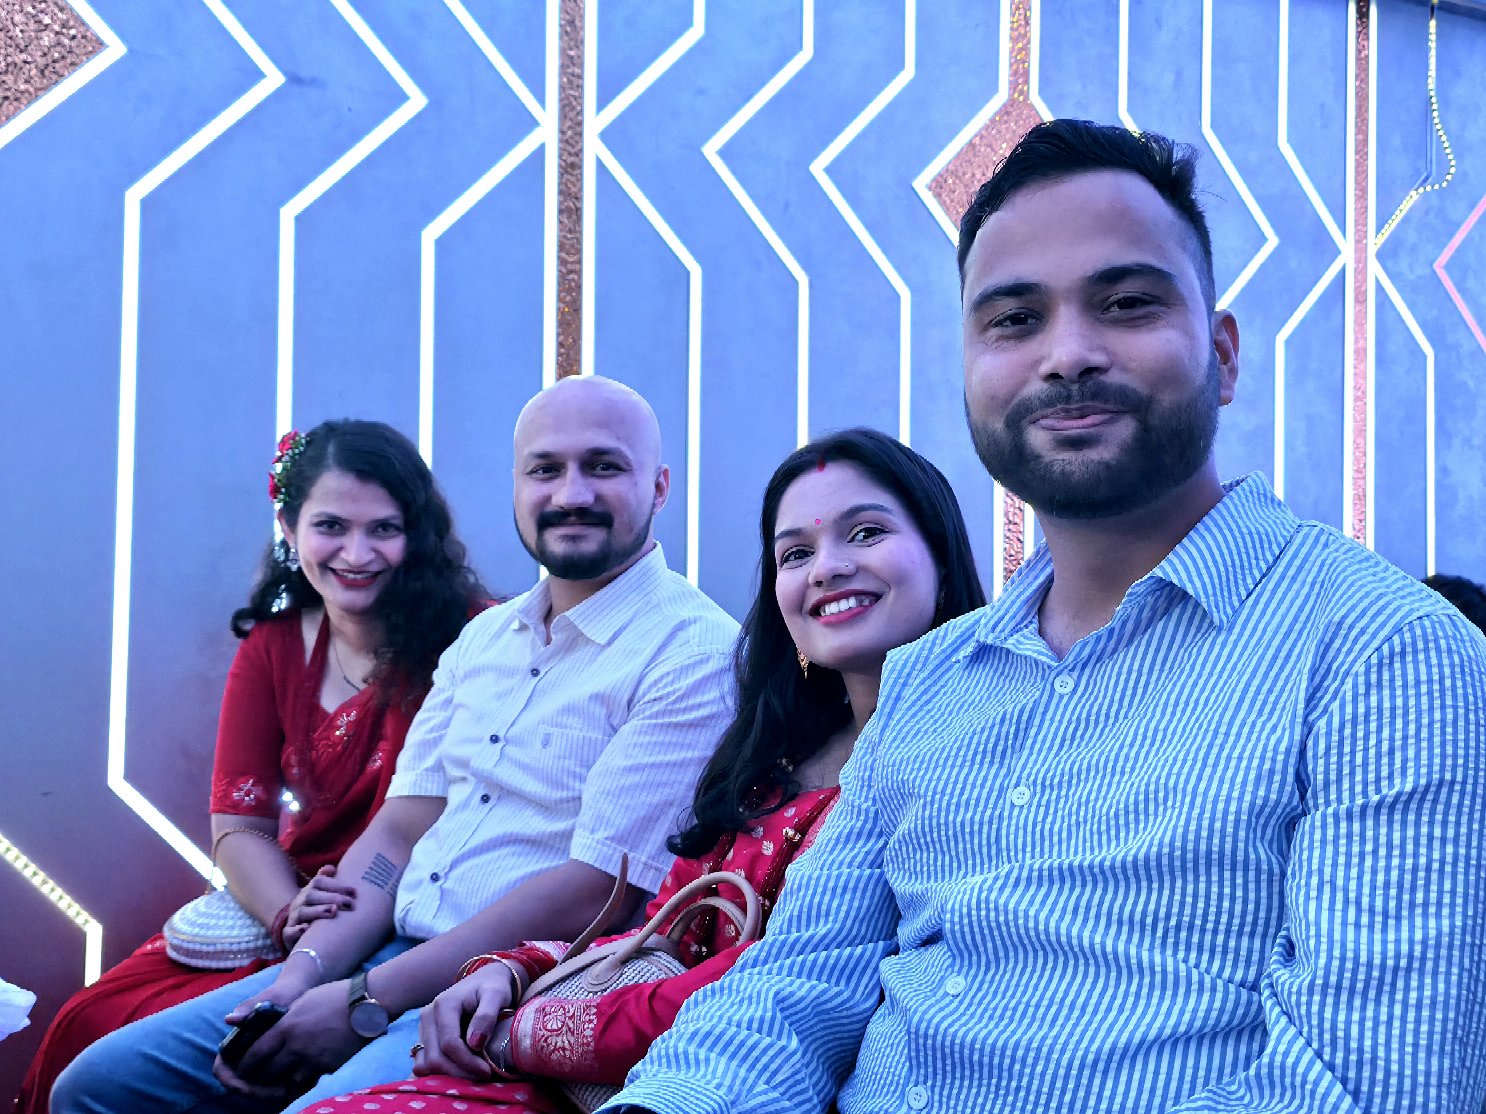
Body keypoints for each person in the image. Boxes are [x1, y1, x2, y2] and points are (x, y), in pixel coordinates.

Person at [602, 120, 1486, 1114]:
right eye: (1015, 319)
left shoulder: (1388, 658)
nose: (1067, 354)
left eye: (1127, 303)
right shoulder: (930, 677)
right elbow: (793, 986)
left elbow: (1359, 1086)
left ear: (1224, 355)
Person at [51, 376, 740, 1114]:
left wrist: (364, 1000)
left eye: (603, 466)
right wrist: (300, 978)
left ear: (659, 486)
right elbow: (400, 831)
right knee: (98, 1085)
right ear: (516, 487)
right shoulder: (487, 638)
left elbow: (600, 888)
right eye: (545, 469)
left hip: (507, 988)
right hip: (377, 953)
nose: (570, 493)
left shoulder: (692, 650)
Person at [320, 428, 986, 1113]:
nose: (826, 568)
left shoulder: (968, 763)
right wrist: (510, 971)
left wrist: (522, 1031)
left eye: (867, 533)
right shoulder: (772, 759)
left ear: (940, 552)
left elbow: (769, 983)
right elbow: (661, 933)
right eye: (796, 553)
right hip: (589, 1060)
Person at [16, 418, 491, 1114]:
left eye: (383, 530)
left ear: (416, 535)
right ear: (289, 528)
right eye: (331, 526)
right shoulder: (273, 647)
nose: (357, 553)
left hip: (430, 910)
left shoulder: (482, 636)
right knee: (90, 1025)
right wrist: (286, 913)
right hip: (306, 903)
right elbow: (239, 825)